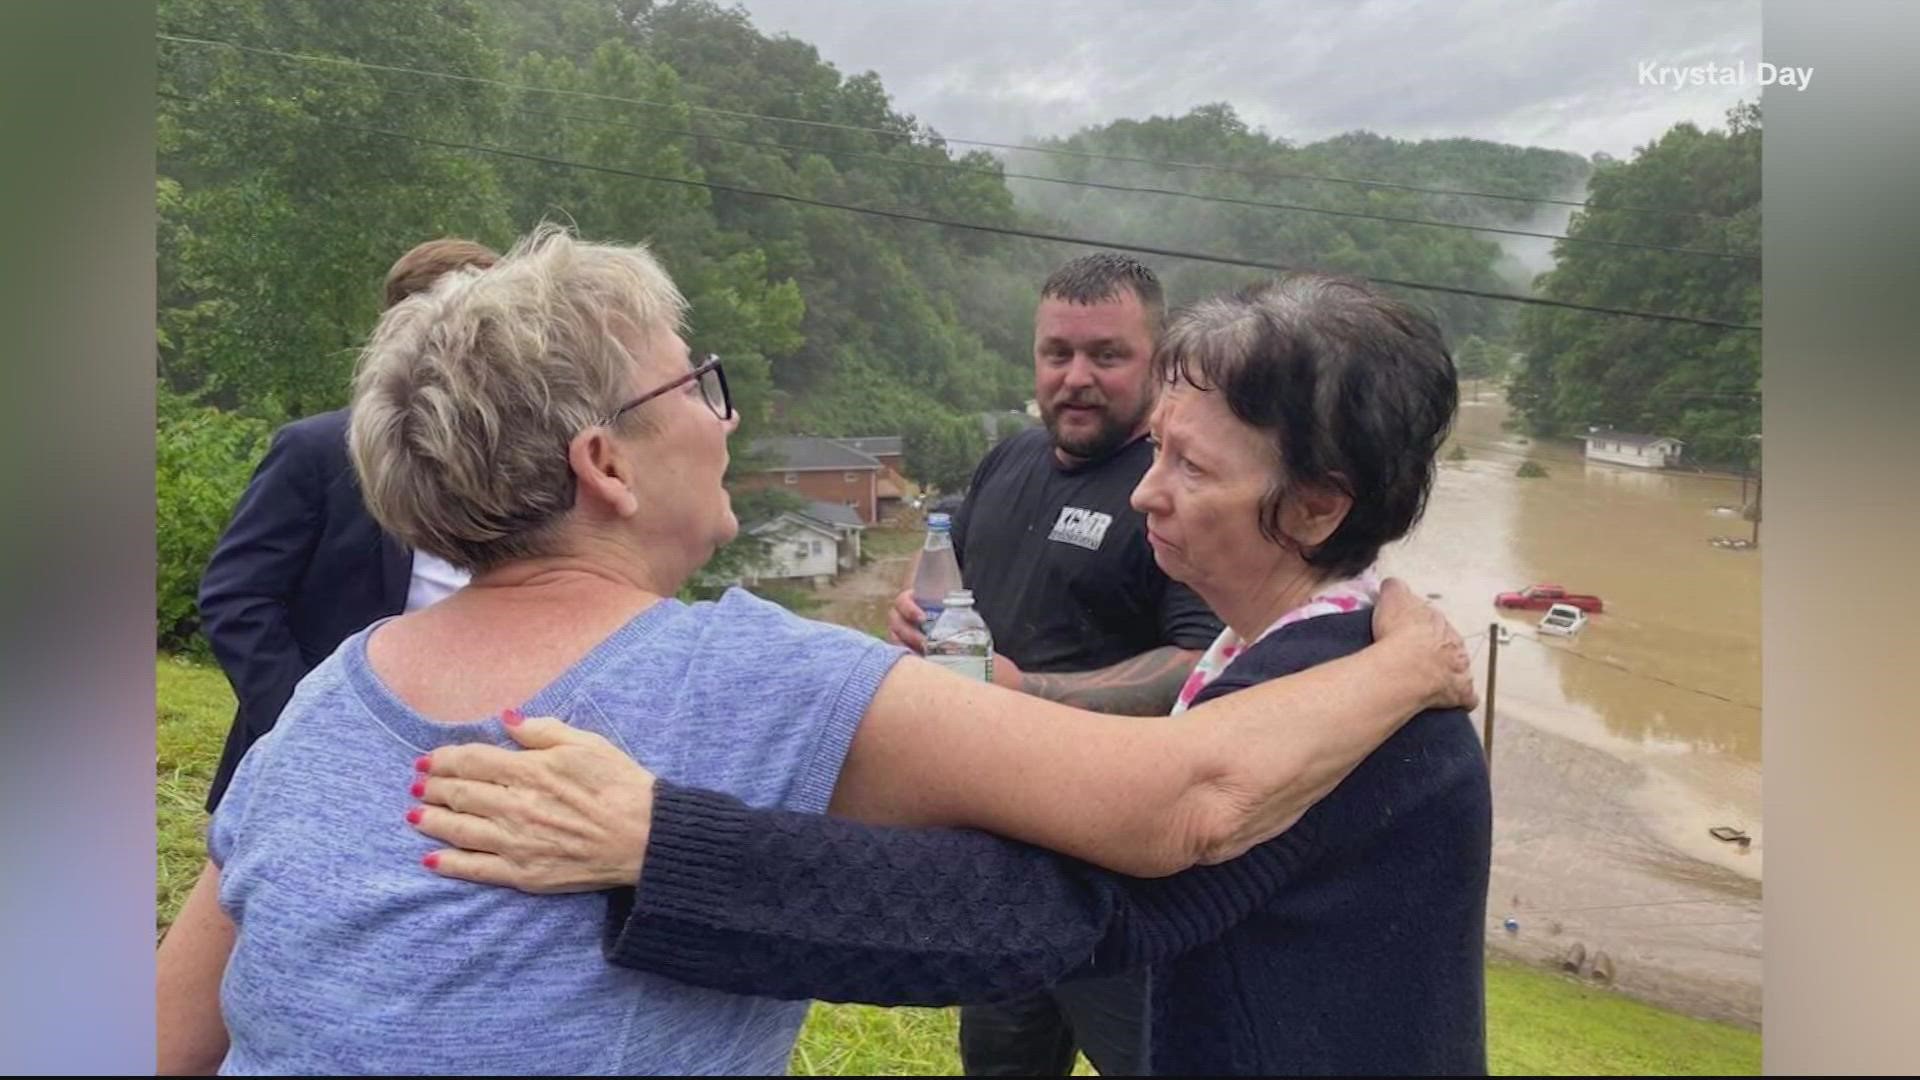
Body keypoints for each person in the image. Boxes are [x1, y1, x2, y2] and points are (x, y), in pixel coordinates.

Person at [153, 227, 1470, 1075]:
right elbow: (1167, 809)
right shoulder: (760, 677)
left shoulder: (332, 698)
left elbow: (151, 1039)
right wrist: (1412, 664)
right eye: (698, 388)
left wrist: (659, 842)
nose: (727, 420)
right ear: (606, 464)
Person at [891, 253, 1223, 1074]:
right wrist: (913, 605)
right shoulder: (1007, 460)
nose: (1076, 377)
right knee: (1002, 1061)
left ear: (1159, 358)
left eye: (1106, 355)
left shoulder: (1171, 489)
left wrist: (1026, 691)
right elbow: (949, 576)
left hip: (1119, 878)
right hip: (998, 853)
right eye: (1056, 353)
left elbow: (1202, 664)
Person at [195, 237, 499, 812]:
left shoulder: (520, 465)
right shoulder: (319, 451)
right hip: (304, 768)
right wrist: (306, 725)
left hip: (456, 771)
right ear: (408, 329)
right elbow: (237, 598)